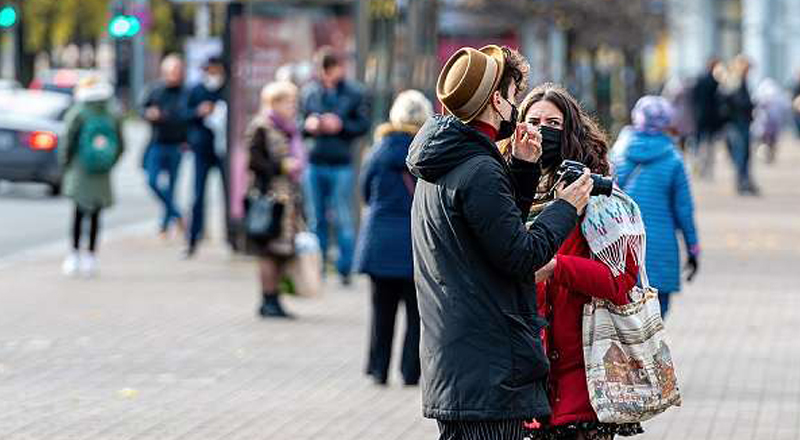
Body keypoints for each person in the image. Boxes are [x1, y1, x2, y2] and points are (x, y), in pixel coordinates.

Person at [406, 45, 594, 440]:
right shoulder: (479, 170)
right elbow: (520, 255)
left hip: (461, 360)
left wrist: (523, 169)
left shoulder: (444, 161)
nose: (516, 106)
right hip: (488, 363)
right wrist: (563, 208)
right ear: (497, 100)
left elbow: (491, 235)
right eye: (513, 97)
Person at [506, 83, 642, 440]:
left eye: (553, 123)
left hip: (585, 375)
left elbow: (621, 281)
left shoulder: (596, 197)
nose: (541, 130)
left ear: (571, 131)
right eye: (533, 121)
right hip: (527, 376)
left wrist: (557, 267)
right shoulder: (507, 192)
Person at [353, 90, 432, 386]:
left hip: (380, 241)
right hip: (415, 243)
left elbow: (364, 192)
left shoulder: (378, 151)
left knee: (381, 310)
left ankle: (378, 368)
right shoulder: (427, 153)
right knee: (416, 314)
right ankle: (411, 371)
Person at [611, 95, 700, 318]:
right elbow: (684, 210)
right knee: (657, 317)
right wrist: (693, 249)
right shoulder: (673, 160)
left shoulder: (616, 154)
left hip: (621, 250)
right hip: (660, 250)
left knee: (626, 318)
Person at [300, 47, 370, 285]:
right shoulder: (310, 92)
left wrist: (341, 125)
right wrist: (308, 125)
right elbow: (298, 124)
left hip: (341, 164)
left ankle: (345, 268)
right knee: (316, 219)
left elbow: (363, 125)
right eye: (323, 71)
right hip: (315, 162)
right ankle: (316, 268)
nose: (326, 76)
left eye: (330, 70)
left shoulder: (354, 93)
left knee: (343, 217)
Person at [246, 81, 307, 319]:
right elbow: (253, 162)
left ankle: (276, 299)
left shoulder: (289, 129)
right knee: (268, 251)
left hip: (288, 198)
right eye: (289, 102)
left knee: (284, 250)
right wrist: (281, 166)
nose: (293, 107)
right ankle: (267, 299)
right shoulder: (261, 127)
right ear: (275, 103)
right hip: (268, 197)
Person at [60, 77, 125, 277]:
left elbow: (67, 141)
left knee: (79, 212)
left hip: (80, 169)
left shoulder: (78, 111)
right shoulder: (112, 112)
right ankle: (91, 257)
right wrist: (108, 162)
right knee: (96, 213)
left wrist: (66, 164)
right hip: (101, 170)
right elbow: (121, 144)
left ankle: (74, 255)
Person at [141, 54, 189, 237]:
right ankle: (177, 215)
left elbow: (187, 116)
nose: (173, 75)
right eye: (170, 71)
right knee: (153, 181)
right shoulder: (155, 90)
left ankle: (164, 224)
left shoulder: (186, 92)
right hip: (157, 143)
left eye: (177, 70)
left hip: (176, 145)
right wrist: (149, 114)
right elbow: (142, 109)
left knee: (172, 186)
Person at [184, 56, 227, 257]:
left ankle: (231, 235)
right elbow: (185, 115)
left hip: (224, 150)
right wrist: (198, 112)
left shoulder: (227, 90)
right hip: (202, 148)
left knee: (228, 194)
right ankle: (193, 238)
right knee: (198, 194)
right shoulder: (197, 90)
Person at [722, 55, 758, 195]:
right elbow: (735, 102)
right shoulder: (734, 81)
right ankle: (742, 183)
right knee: (741, 153)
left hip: (741, 122)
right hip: (737, 122)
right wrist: (749, 106)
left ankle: (745, 182)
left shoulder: (739, 81)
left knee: (744, 154)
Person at [691, 58, 725, 179]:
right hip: (710, 119)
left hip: (700, 117)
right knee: (709, 146)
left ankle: (700, 168)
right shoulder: (714, 82)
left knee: (700, 144)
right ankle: (706, 169)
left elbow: (693, 98)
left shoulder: (699, 80)